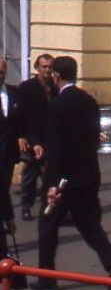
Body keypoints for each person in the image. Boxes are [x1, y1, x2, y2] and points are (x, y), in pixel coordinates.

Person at [33, 56, 111, 290]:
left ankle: (47, 277)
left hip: (63, 179)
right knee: (89, 225)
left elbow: (56, 149)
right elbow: (94, 139)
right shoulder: (89, 101)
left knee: (47, 225)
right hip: (87, 175)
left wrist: (52, 184)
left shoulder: (57, 105)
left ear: (56, 75)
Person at [17, 53, 57, 221]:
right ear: (37, 68)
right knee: (30, 174)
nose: (47, 70)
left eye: (50, 67)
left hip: (50, 138)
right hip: (30, 136)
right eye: (44, 67)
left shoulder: (56, 88)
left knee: (51, 174)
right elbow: (20, 114)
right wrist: (21, 136)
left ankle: (49, 206)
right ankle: (26, 206)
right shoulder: (27, 87)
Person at [0, 58, 21, 259]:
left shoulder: (14, 93)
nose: (0, 75)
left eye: (2, 71)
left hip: (8, 155)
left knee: (3, 190)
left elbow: (20, 121)